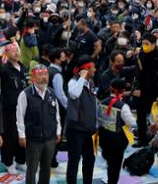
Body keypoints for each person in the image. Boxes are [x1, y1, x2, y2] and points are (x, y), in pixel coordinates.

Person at [16, 64, 61, 184]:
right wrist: (22, 135)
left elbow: (56, 114)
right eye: (40, 75)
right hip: (33, 139)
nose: (44, 77)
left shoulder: (51, 92)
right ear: (33, 78)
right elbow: (20, 116)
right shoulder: (25, 94)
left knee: (46, 167)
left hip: (50, 138)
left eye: (46, 74)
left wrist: (58, 131)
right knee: (32, 168)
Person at [0, 41, 28, 174]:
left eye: (17, 51)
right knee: (9, 136)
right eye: (13, 51)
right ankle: (8, 162)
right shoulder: (5, 68)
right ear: (7, 54)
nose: (17, 53)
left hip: (24, 109)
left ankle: (21, 160)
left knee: (22, 134)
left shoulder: (23, 67)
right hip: (9, 108)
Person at [65, 55, 97, 184]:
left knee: (90, 159)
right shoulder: (73, 82)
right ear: (85, 69)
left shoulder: (91, 83)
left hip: (90, 129)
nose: (95, 70)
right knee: (74, 161)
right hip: (76, 130)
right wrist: (82, 77)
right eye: (93, 68)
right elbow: (74, 94)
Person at [98, 78, 136, 184]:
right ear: (123, 90)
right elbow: (131, 122)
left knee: (110, 161)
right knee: (115, 167)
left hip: (104, 138)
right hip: (117, 141)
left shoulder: (102, 102)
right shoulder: (123, 106)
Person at [136, 33, 158, 146]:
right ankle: (142, 139)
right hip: (142, 90)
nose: (144, 46)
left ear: (154, 44)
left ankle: (157, 141)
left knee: (156, 117)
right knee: (140, 117)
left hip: (155, 91)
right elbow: (138, 73)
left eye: (147, 44)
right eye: (143, 44)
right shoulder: (140, 54)